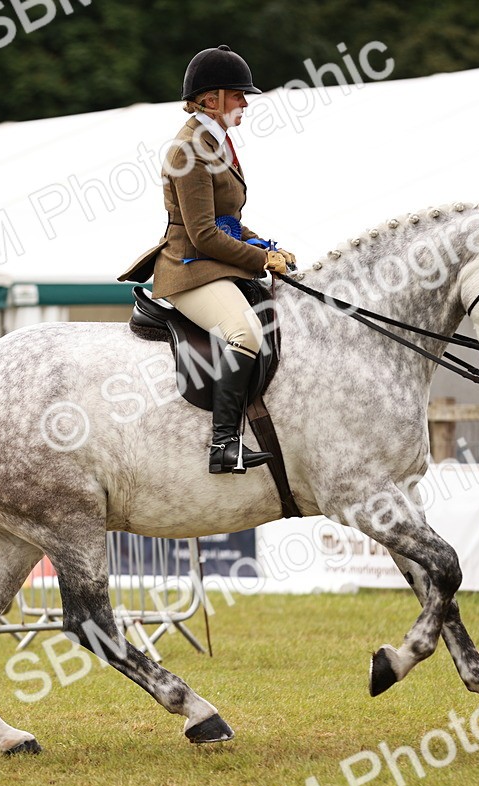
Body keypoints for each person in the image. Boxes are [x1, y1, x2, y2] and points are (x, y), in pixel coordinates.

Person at [118, 45, 295, 475]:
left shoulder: (217, 144)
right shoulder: (188, 151)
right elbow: (202, 234)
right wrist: (258, 260)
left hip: (214, 260)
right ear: (211, 99)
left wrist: (269, 247)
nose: (246, 104)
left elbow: (229, 221)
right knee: (244, 334)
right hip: (189, 268)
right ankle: (224, 445)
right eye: (238, 96)